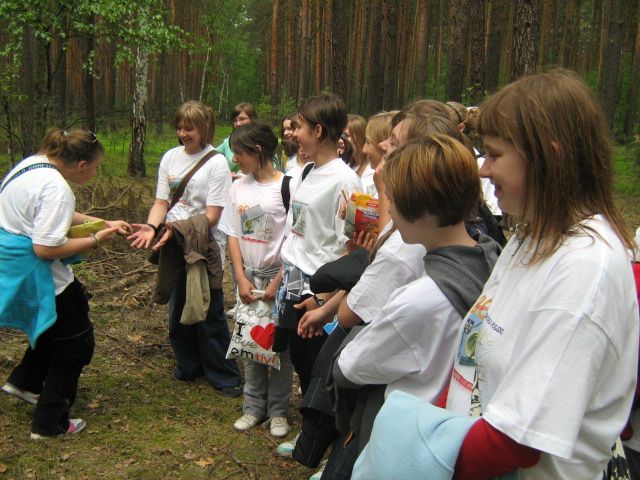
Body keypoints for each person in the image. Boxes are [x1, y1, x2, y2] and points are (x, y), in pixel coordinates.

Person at [444, 69, 639, 479]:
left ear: (548, 157)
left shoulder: (585, 269)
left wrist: (421, 454)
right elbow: (476, 353)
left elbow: (516, 440)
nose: (483, 170)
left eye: (495, 155)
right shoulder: (533, 234)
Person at [0, 128, 130, 438]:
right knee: (77, 342)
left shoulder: (33, 164)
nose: (95, 173)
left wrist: (101, 222)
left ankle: (26, 382)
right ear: (82, 164)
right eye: (96, 167)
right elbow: (45, 248)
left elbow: (54, 213)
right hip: (33, 269)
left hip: (11, 260)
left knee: (55, 326)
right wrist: (96, 239)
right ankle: (50, 423)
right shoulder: (57, 187)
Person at [128, 100, 241, 397]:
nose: (182, 133)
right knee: (178, 308)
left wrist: (175, 231)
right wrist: (152, 228)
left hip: (203, 245)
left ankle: (223, 374)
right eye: (179, 127)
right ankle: (189, 365)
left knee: (208, 309)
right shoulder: (169, 158)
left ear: (204, 129)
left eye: (189, 128)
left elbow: (213, 215)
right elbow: (161, 203)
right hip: (171, 242)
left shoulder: (217, 163)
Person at [218, 122, 294, 438]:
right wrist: (239, 276)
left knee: (279, 347)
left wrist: (277, 281)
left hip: (279, 279)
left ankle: (278, 411)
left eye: (239, 153)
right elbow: (233, 233)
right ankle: (252, 407)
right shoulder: (238, 187)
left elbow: (295, 239)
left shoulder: (288, 187)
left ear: (258, 151)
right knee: (248, 341)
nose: (235, 160)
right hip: (247, 278)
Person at [216, 102, 257, 176]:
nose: (238, 123)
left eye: (242, 119)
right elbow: (210, 155)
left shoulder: (261, 140)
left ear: (252, 119)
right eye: (235, 120)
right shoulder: (228, 142)